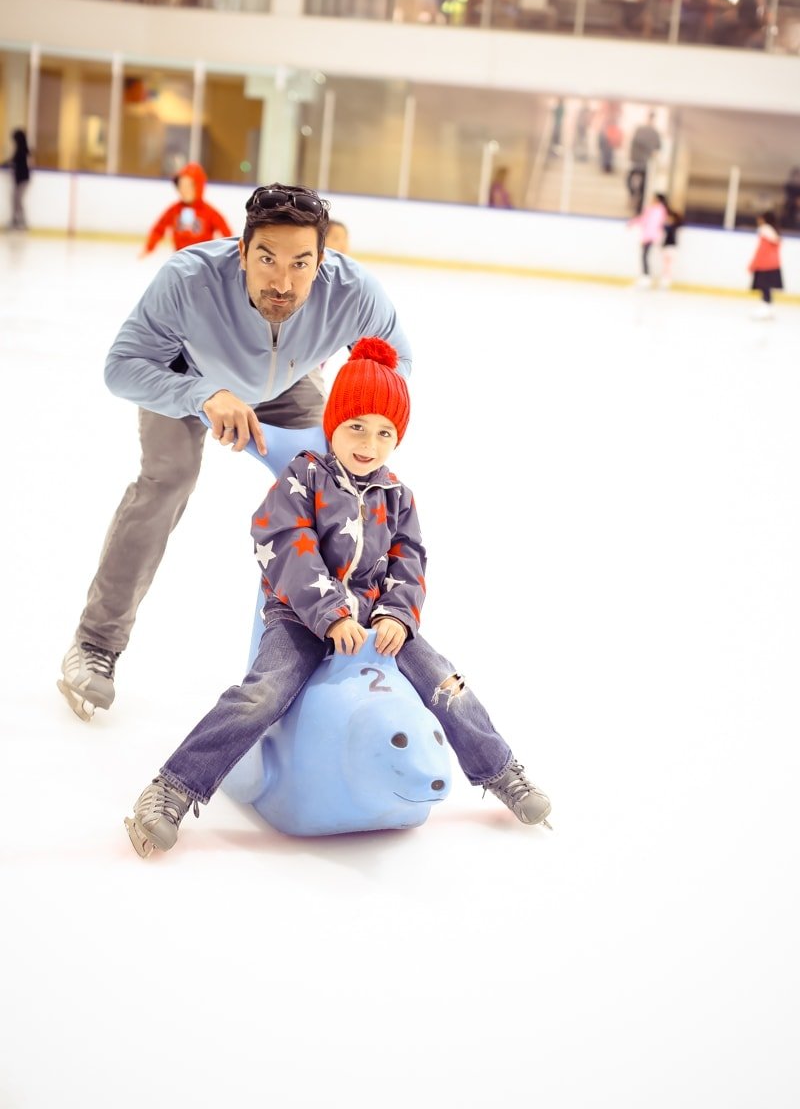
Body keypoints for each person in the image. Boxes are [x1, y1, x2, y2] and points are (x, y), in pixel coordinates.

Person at [123, 337, 552, 857]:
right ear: (334, 424)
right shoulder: (304, 477)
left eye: (384, 432)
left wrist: (396, 614)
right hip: (301, 617)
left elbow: (409, 559)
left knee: (447, 683)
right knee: (262, 694)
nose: (368, 443)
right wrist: (329, 615)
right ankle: (172, 789)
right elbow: (284, 544)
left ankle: (502, 771)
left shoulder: (398, 496)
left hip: (376, 617)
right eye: (356, 426)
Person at [58, 183, 412, 722]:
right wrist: (201, 396)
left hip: (287, 386)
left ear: (323, 260)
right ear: (241, 250)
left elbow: (396, 361)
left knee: (340, 482)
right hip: (185, 378)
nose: (283, 280)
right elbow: (122, 366)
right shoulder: (188, 279)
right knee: (167, 481)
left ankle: (330, 636)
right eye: (266, 258)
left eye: (301, 263)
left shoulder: (351, 290)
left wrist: (360, 412)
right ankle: (95, 643)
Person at [139, 161, 231, 256]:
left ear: (198, 187)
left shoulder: (210, 212)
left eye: (188, 186)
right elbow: (159, 229)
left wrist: (232, 255)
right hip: (180, 259)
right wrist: (149, 247)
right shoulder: (174, 210)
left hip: (203, 260)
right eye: (181, 186)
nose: (184, 190)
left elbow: (227, 234)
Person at [628, 191, 668, 287]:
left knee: (646, 256)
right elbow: (644, 220)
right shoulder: (653, 209)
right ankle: (645, 276)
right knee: (644, 256)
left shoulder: (659, 210)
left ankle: (646, 277)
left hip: (651, 237)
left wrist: (648, 237)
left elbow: (654, 225)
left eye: (653, 198)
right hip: (648, 236)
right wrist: (633, 222)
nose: (651, 199)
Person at [748, 210, 783, 319]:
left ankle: (765, 308)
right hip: (772, 263)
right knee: (766, 287)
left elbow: (761, 249)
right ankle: (767, 308)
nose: (758, 220)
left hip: (765, 264)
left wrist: (754, 263)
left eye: (760, 218)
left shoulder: (764, 229)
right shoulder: (773, 230)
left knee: (764, 287)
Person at [626, 111, 661, 214]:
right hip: (638, 161)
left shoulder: (654, 132)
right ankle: (634, 198)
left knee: (640, 184)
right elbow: (635, 142)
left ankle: (638, 205)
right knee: (631, 180)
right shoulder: (642, 130)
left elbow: (658, 147)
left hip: (644, 162)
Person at [2, 127, 33, 230]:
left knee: (17, 200)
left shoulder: (23, 150)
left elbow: (14, 160)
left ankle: (21, 221)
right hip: (19, 178)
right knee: (15, 199)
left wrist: (4, 164)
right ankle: (15, 220)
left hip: (23, 178)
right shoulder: (21, 149)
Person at [660, 199, 683, 288]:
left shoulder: (675, 226)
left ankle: (667, 280)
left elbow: (679, 220)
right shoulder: (666, 227)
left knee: (668, 264)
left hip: (671, 246)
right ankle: (664, 280)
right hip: (667, 246)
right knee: (665, 264)